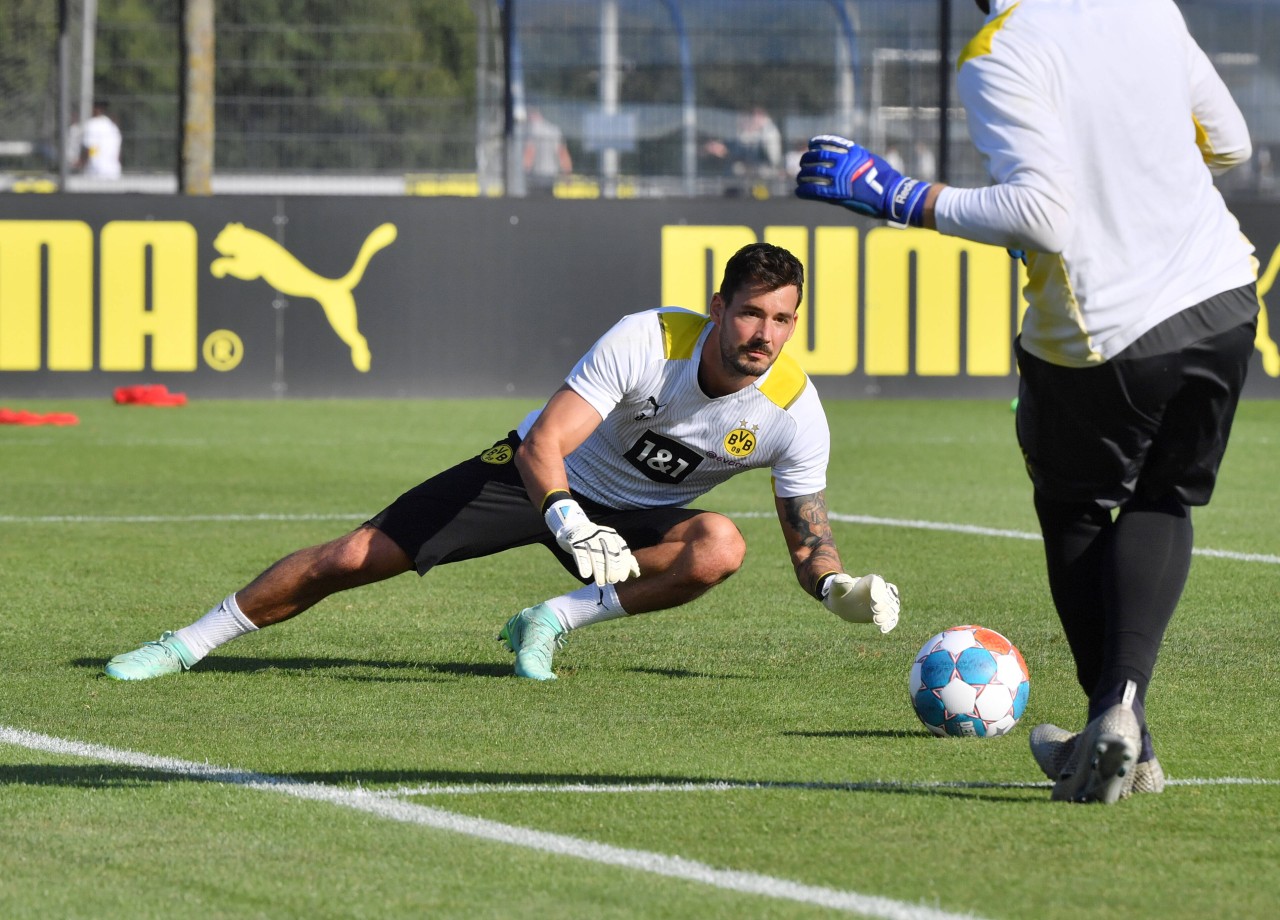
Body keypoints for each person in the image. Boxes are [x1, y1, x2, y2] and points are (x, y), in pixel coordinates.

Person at [796, 0, 1258, 804]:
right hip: (1223, 298)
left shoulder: (1000, 48)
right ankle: (1123, 717)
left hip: (1105, 327)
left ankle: (1123, 726)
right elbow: (1229, 144)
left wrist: (900, 195)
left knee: (1074, 508)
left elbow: (1044, 218)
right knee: (1165, 499)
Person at [105, 243, 901, 683]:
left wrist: (837, 587)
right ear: (718, 308)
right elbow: (545, 444)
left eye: (784, 319)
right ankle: (187, 643)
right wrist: (566, 517)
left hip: (638, 519)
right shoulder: (648, 338)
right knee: (353, 557)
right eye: (753, 314)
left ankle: (551, 620)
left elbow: (807, 539)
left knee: (722, 546)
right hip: (538, 481)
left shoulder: (795, 411)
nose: (766, 334)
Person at [522, 108, 572, 196]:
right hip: (550, 177)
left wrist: (522, 173)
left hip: (535, 177)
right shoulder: (554, 130)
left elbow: (529, 154)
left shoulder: (531, 131)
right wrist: (567, 174)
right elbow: (562, 154)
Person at [76, 99, 122, 178]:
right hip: (113, 171)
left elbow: (90, 148)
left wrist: (81, 163)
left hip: (96, 171)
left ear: (95, 109)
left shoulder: (92, 124)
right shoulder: (113, 126)